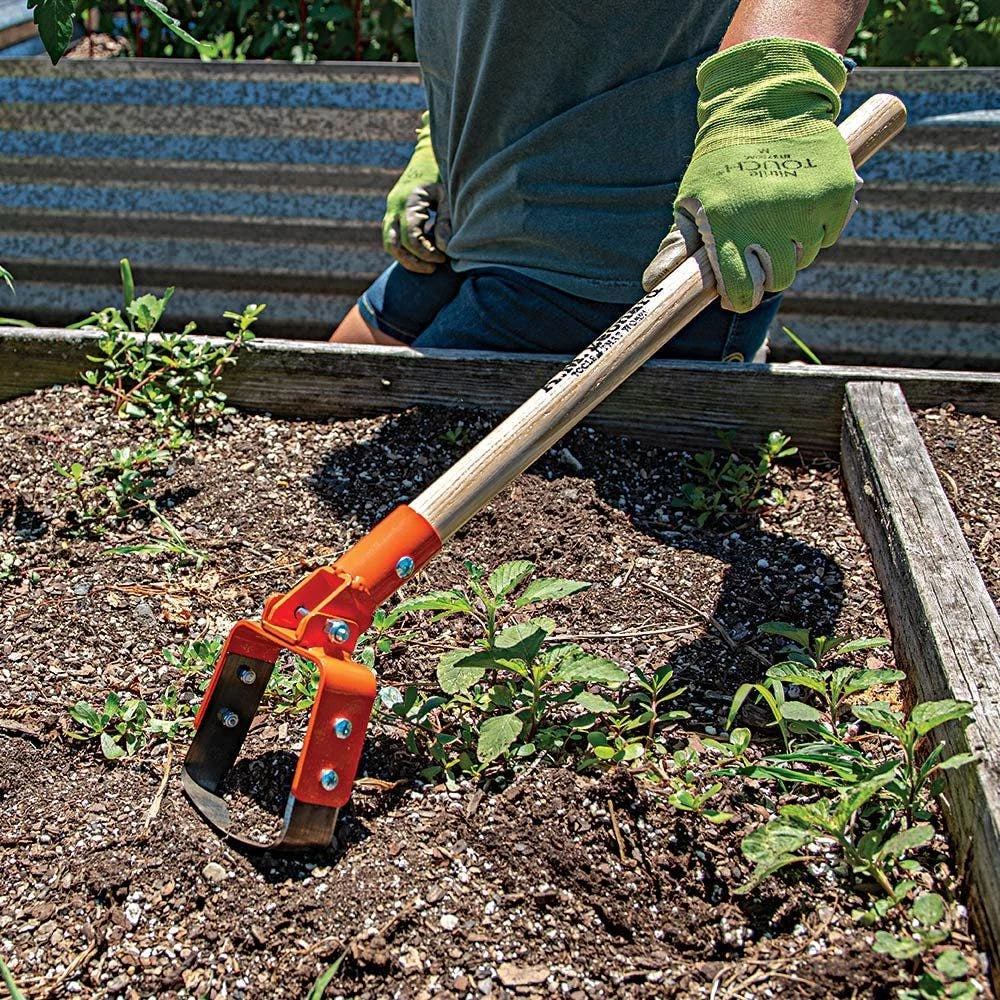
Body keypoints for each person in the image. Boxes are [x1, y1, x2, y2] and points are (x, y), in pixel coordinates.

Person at [330, 1, 868, 362]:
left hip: (617, 253)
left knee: (413, 450)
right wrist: (439, 139)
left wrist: (769, 99)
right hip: (477, 208)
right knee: (336, 385)